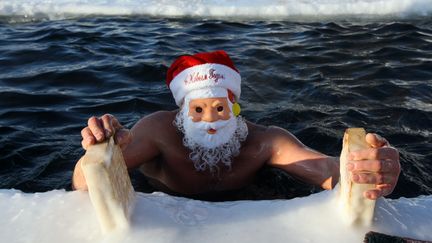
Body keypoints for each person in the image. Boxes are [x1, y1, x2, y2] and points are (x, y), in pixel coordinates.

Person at [72, 50, 401, 200]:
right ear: (183, 111)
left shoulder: (264, 141)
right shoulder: (158, 133)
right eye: (198, 109)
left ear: (236, 108)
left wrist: (367, 168)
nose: (211, 118)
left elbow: (326, 169)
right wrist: (102, 149)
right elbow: (84, 184)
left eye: (219, 107)